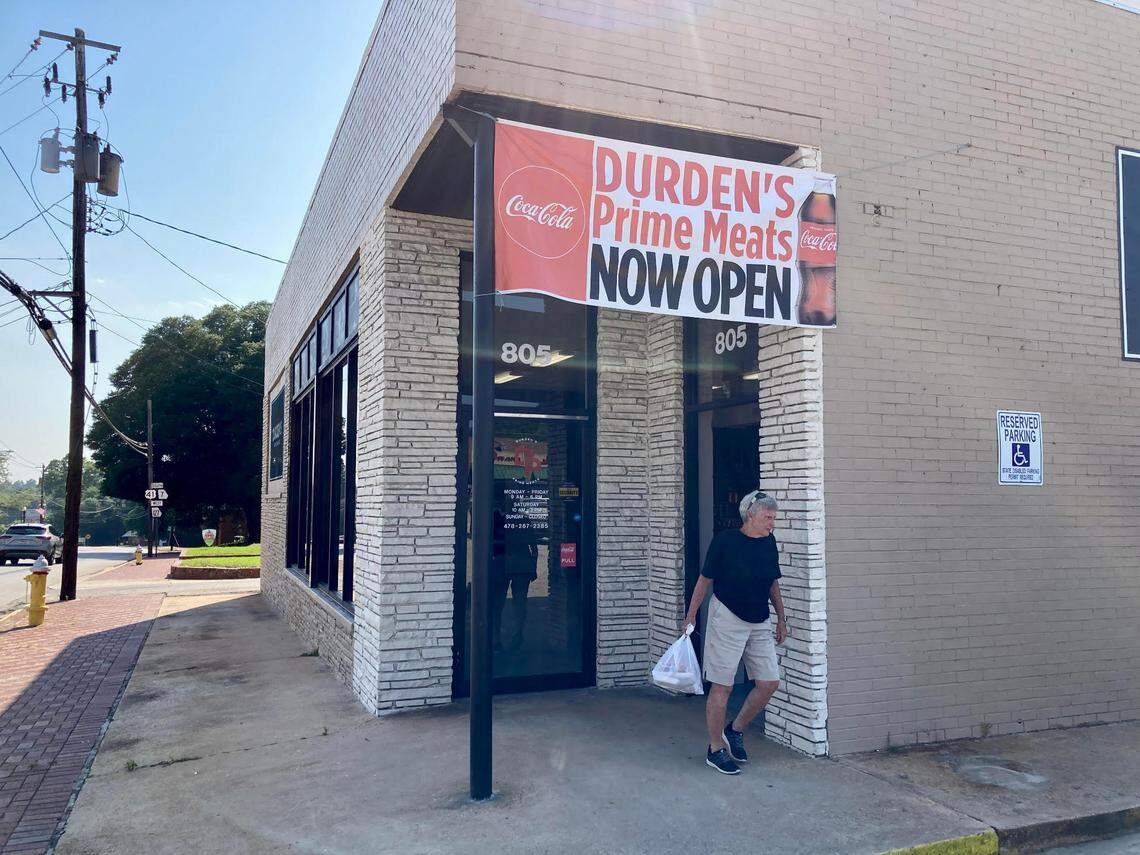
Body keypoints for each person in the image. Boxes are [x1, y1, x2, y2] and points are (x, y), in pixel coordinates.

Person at [684, 490, 789, 775]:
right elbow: (705, 579)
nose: (772, 522)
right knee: (723, 685)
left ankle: (736, 729)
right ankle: (715, 748)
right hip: (727, 616)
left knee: (769, 682)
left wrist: (781, 618)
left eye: (774, 517)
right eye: (768, 517)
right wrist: (691, 615)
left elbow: (773, 582)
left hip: (760, 619)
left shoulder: (769, 543)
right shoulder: (725, 542)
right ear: (751, 514)